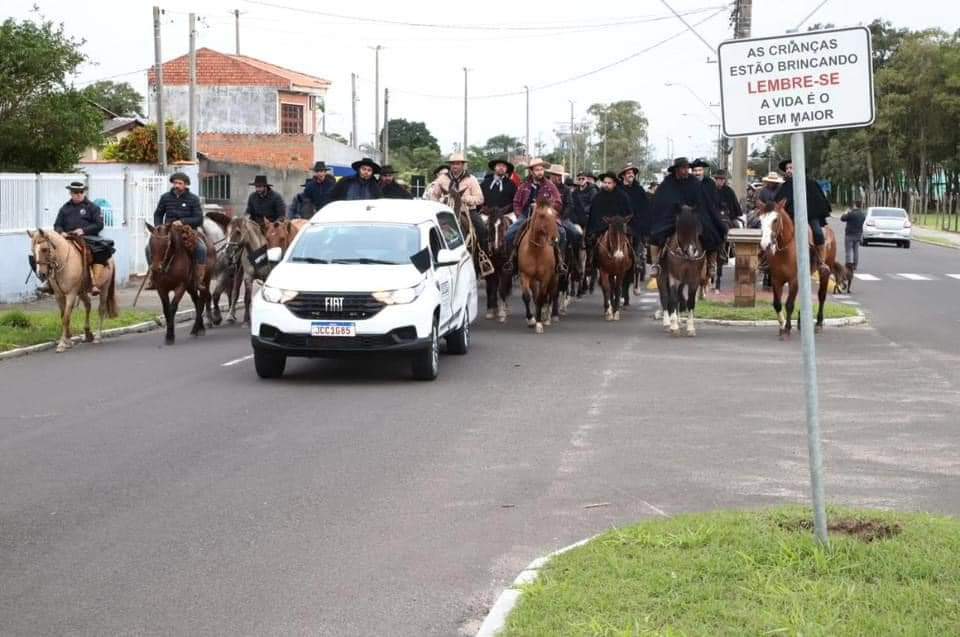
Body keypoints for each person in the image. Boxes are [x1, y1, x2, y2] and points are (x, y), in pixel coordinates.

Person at [648, 157, 726, 276]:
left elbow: (701, 201)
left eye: (687, 168)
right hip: (672, 216)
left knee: (711, 231)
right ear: (676, 170)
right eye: (683, 168)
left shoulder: (694, 182)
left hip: (693, 215)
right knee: (656, 233)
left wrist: (693, 209)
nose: (686, 171)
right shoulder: (667, 183)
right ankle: (655, 264)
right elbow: (661, 202)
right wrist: (675, 207)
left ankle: (711, 264)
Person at [52, 181, 113, 295]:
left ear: (84, 192)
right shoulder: (64, 208)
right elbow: (57, 225)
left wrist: (83, 230)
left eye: (81, 192)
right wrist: (61, 232)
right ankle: (49, 282)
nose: (78, 194)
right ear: (71, 193)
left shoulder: (93, 207)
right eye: (75, 192)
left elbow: (99, 225)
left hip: (88, 237)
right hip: (67, 238)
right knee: (50, 252)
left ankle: (94, 282)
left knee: (98, 253)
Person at [503, 158, 564, 272]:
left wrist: (544, 206)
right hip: (526, 215)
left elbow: (558, 203)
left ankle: (559, 261)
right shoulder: (524, 185)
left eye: (541, 169)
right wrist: (519, 214)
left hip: (545, 216)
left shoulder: (550, 186)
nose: (540, 172)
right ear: (531, 171)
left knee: (562, 233)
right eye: (537, 170)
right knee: (509, 234)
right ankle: (512, 261)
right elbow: (516, 202)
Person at [151, 172, 206, 287]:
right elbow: (158, 214)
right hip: (167, 231)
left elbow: (199, 219)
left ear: (185, 185)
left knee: (202, 249)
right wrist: (159, 228)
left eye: (180, 183)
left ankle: (198, 279)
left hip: (188, 231)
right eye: (175, 183)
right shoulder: (165, 197)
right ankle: (154, 276)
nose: (176, 185)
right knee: (149, 247)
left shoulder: (193, 199)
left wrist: (183, 221)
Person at [774, 158, 832, 264]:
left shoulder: (811, 184)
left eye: (791, 168)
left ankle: (821, 261)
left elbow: (819, 202)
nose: (788, 170)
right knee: (772, 234)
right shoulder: (784, 187)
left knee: (818, 233)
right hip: (789, 219)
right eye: (787, 168)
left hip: (810, 218)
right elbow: (777, 204)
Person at [428, 153, 485, 246]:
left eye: (458, 163)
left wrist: (465, 199)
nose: (455, 166)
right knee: (430, 229)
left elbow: (480, 198)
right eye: (453, 163)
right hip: (446, 212)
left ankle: (483, 255)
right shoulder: (442, 179)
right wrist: (440, 202)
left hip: (467, 212)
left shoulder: (471, 179)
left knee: (482, 229)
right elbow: (434, 196)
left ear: (463, 165)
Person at [546, 163, 583, 252]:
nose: (559, 177)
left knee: (576, 234)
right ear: (551, 176)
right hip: (545, 218)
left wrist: (561, 217)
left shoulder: (566, 189)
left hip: (562, 218)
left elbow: (570, 205)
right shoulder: (544, 188)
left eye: (560, 175)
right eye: (557, 175)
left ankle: (575, 261)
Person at [618, 163, 652, 247]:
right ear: (623, 175)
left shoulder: (639, 189)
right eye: (629, 173)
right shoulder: (618, 190)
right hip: (621, 224)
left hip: (637, 225)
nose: (631, 175)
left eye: (632, 173)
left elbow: (646, 206)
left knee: (639, 249)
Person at [841, 200, 866, 282]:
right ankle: (855, 265)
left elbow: (843, 219)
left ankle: (848, 264)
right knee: (856, 250)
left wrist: (845, 212)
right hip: (858, 234)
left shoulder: (851, 213)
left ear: (855, 205)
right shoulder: (863, 214)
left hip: (849, 234)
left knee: (848, 250)